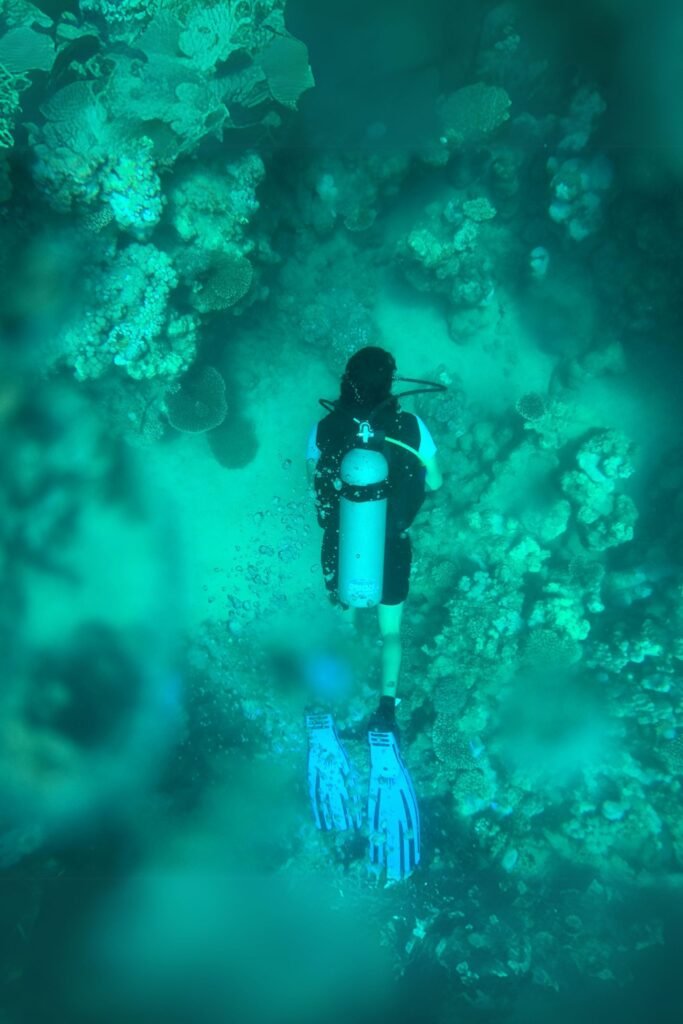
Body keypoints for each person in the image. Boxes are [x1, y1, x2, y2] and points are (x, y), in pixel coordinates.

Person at [304, 346, 443, 882]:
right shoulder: (412, 425)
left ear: (345, 381)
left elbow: (316, 488)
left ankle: (324, 700)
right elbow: (435, 482)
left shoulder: (323, 428)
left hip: (341, 544)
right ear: (393, 383)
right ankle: (385, 711)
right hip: (391, 545)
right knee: (390, 632)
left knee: (340, 621)